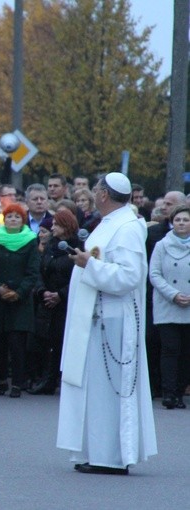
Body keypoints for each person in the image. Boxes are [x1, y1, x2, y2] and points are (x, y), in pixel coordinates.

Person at [57, 172, 157, 475]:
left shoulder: (126, 228)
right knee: (96, 391)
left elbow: (129, 277)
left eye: (96, 189)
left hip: (113, 321)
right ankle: (98, 452)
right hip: (99, 319)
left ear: (103, 195)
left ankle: (113, 456)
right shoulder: (112, 222)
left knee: (110, 391)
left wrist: (90, 265)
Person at [0, 203, 40, 398]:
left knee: (17, 343)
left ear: (23, 221)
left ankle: (17, 383)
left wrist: (18, 292)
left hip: (20, 301)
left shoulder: (31, 241)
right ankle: (1, 380)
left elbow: (33, 273)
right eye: (9, 216)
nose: (13, 219)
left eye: (17, 217)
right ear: (3, 219)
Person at [28, 209, 79, 395]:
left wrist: (60, 295)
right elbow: (40, 271)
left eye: (56, 224)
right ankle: (45, 378)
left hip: (65, 303)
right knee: (44, 341)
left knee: (60, 342)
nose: (52, 227)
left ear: (66, 226)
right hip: (47, 301)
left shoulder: (77, 247)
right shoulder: (51, 245)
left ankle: (57, 379)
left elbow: (78, 277)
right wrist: (43, 292)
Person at [148, 205, 190, 409]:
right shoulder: (162, 245)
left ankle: (180, 392)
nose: (181, 223)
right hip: (167, 304)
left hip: (189, 305)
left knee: (186, 352)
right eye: (178, 220)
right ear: (172, 223)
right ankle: (168, 392)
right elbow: (154, 274)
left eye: (186, 220)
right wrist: (173, 295)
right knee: (170, 349)